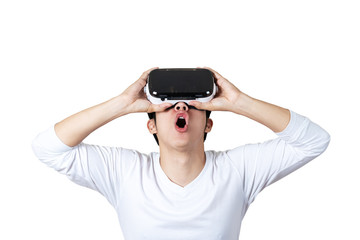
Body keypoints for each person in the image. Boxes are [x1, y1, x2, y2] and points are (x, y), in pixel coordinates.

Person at [32, 67, 330, 240]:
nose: (181, 107)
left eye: (193, 104)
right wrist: (121, 104)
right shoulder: (124, 171)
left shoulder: (237, 169)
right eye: (169, 104)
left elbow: (315, 141)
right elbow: (48, 148)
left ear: (208, 123)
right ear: (151, 126)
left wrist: (240, 102)